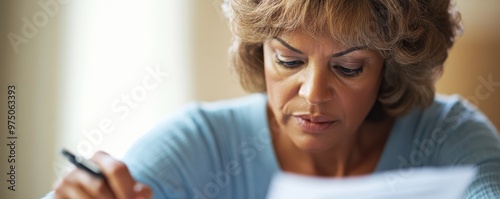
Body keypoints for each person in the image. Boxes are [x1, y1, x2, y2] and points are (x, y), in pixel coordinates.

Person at [48, 0, 500, 198]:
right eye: (288, 61)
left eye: (348, 68)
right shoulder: (199, 147)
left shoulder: (449, 140)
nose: (313, 94)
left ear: (390, 68)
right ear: (258, 52)